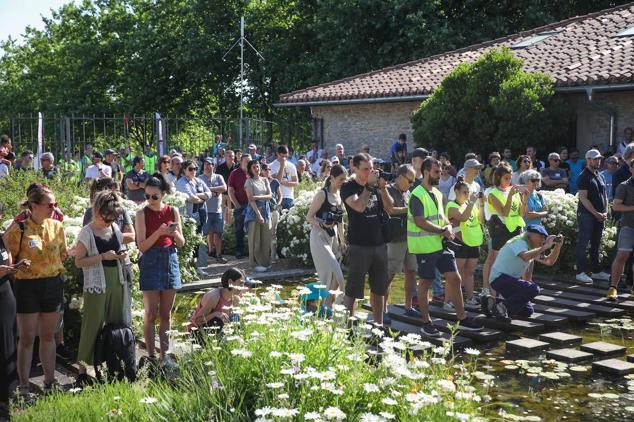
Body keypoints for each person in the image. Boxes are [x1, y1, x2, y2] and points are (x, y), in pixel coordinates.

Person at [3, 185, 67, 395]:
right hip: (27, 287)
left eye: (55, 204)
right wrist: (17, 264)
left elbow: (63, 255)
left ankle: (50, 382)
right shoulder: (18, 229)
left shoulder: (57, 227)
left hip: (53, 285)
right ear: (34, 205)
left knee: (48, 336)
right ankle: (23, 387)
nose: (54, 208)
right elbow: (6, 257)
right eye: (50, 204)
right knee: (27, 338)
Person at [408, 158, 483, 336]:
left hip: (440, 244)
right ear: (426, 172)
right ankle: (426, 322)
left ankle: (462, 318)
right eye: (436, 172)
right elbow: (419, 221)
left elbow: (441, 217)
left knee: (455, 279)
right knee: (425, 282)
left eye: (440, 172)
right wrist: (442, 230)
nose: (440, 176)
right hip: (425, 246)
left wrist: (448, 227)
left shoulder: (437, 192)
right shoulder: (417, 193)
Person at [74, 191, 130, 386]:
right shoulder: (86, 232)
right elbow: (79, 262)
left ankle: (113, 363)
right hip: (96, 284)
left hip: (117, 280)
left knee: (117, 322)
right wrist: (102, 257)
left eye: (111, 219)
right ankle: (82, 371)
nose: (107, 222)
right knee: (92, 325)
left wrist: (121, 254)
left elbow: (120, 248)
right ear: (96, 210)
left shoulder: (114, 227)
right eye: (105, 218)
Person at [135, 174, 184, 370]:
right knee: (150, 313)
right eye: (147, 196)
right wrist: (160, 232)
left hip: (170, 258)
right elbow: (142, 246)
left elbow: (181, 243)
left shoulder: (173, 211)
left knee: (166, 313)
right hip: (151, 260)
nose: (150, 200)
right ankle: (151, 356)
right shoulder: (141, 214)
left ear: (163, 194)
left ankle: (166, 356)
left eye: (154, 196)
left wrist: (174, 233)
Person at [341, 153, 387, 327]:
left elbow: (388, 208)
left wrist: (383, 189)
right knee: (352, 290)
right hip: (358, 245)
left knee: (379, 289)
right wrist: (369, 187)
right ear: (354, 168)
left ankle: (379, 326)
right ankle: (348, 328)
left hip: (379, 243)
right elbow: (359, 207)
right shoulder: (348, 187)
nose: (370, 171)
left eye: (371, 168)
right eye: (365, 169)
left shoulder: (375, 185)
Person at [485, 225, 563, 319]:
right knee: (533, 289)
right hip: (499, 278)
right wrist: (545, 246)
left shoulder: (530, 247)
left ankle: (493, 304)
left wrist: (557, 247)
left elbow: (549, 261)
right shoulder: (519, 242)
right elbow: (525, 256)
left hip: (509, 281)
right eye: (541, 237)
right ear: (531, 234)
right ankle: (501, 307)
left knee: (527, 311)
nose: (543, 240)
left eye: (545, 238)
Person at [481, 163, 527, 297]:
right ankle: (492, 293)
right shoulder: (492, 193)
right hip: (500, 231)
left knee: (515, 261)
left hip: (515, 230)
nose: (509, 181)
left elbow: (521, 212)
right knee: (496, 261)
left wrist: (525, 197)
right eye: (506, 178)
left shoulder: (513, 190)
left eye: (510, 178)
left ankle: (509, 291)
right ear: (499, 178)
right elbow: (505, 213)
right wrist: (511, 195)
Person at [379, 164, 418, 319]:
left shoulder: (407, 192)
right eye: (410, 181)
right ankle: (383, 309)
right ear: (400, 177)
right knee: (389, 275)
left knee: (411, 272)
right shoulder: (387, 190)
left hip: (410, 238)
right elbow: (391, 209)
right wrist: (411, 210)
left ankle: (408, 306)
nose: (412, 184)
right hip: (395, 240)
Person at [307, 164, 347, 313]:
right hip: (319, 237)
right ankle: (328, 303)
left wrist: (342, 241)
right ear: (332, 178)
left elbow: (340, 221)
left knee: (335, 275)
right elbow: (309, 217)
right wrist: (322, 223)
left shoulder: (340, 195)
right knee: (335, 274)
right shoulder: (322, 195)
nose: (343, 182)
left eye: (345, 179)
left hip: (333, 238)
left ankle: (327, 305)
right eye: (341, 179)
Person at [445, 177, 485, 307]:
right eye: (464, 192)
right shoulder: (452, 205)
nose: (467, 195)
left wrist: (482, 203)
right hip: (460, 242)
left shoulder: (469, 204)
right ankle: (448, 301)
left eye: (468, 192)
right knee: (455, 273)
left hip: (473, 241)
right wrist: (472, 203)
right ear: (456, 191)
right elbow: (463, 217)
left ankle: (470, 298)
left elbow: (480, 220)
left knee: (470, 272)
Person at [575, 149, 610, 284]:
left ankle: (596, 271)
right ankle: (580, 272)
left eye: (599, 158)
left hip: (599, 215)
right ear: (588, 160)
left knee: (596, 244)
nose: (598, 161)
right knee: (583, 244)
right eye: (595, 159)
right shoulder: (583, 176)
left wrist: (605, 212)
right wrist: (596, 214)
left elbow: (605, 195)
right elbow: (583, 198)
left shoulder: (599, 175)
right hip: (586, 215)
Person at [188, 267, 245, 336]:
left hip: (220, 332)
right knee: (218, 320)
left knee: (236, 318)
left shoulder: (236, 299)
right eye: (241, 283)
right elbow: (197, 321)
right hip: (197, 332)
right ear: (230, 282)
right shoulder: (214, 296)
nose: (243, 287)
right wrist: (214, 314)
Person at [608, 159, 634, 299]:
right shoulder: (624, 186)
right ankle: (613, 288)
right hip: (628, 226)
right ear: (631, 169)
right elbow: (616, 206)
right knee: (622, 255)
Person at [0, 202, 17, 418]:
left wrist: (14, 265)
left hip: (6, 295)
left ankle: (8, 397)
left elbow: (7, 258)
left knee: (8, 345)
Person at [244, 160, 273, 272]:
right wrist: (258, 214)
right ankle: (255, 263)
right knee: (255, 239)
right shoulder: (249, 182)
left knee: (266, 238)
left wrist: (257, 197)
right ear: (250, 169)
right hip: (254, 212)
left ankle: (265, 262)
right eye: (254, 167)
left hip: (266, 210)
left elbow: (270, 195)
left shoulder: (265, 180)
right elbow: (250, 200)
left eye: (258, 166)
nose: (257, 169)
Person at [200, 158, 228, 264]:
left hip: (217, 211)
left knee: (219, 233)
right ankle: (204, 259)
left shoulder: (219, 177)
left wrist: (209, 189)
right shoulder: (199, 178)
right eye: (205, 164)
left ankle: (218, 255)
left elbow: (224, 188)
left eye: (209, 164)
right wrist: (216, 189)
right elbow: (200, 190)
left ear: (214, 166)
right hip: (205, 211)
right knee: (204, 234)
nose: (207, 166)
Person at [175, 160, 211, 237]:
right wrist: (204, 198)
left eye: (195, 168)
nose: (193, 171)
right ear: (184, 170)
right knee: (191, 242)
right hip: (189, 218)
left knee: (198, 240)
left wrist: (197, 195)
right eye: (190, 169)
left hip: (201, 215)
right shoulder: (181, 182)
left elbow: (209, 194)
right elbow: (192, 199)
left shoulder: (199, 180)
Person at [228, 154, 251, 259]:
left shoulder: (253, 173)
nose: (248, 163)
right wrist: (236, 204)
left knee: (252, 229)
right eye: (246, 161)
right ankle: (239, 251)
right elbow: (230, 190)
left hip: (252, 205)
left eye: (250, 161)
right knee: (239, 230)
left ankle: (252, 251)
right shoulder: (235, 173)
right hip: (240, 205)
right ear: (241, 162)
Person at [261, 163, 282, 263]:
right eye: (265, 169)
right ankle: (265, 255)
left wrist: (278, 204)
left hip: (273, 210)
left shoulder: (275, 181)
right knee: (264, 234)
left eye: (269, 169)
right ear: (262, 170)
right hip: (263, 211)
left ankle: (273, 255)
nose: (268, 171)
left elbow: (279, 195)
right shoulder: (259, 182)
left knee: (273, 233)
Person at [269, 145, 299, 210]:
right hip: (277, 198)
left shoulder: (291, 166)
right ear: (277, 154)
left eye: (286, 156)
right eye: (282, 156)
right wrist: (282, 165)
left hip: (289, 197)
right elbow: (277, 182)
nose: (284, 159)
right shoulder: (271, 166)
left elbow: (296, 182)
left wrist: (285, 183)